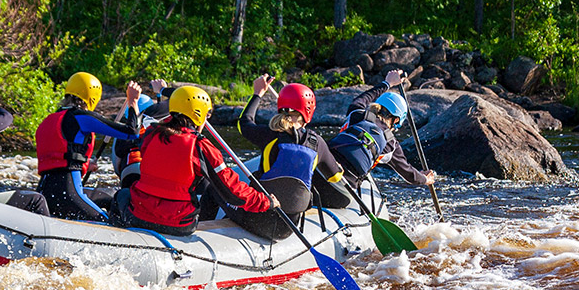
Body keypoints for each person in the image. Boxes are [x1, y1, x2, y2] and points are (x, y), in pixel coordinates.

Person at [115, 85, 280, 238]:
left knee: (122, 194)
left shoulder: (151, 134)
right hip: (179, 224)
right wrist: (265, 201)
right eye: (207, 115)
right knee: (208, 190)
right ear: (199, 115)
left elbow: (143, 131)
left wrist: (137, 103)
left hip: (139, 214)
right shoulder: (201, 146)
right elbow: (232, 192)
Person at [235, 76, 350, 227]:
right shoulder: (318, 144)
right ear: (309, 110)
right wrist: (338, 168)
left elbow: (243, 123)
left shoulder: (270, 134)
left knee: (213, 190)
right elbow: (334, 177)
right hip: (291, 225)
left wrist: (258, 93)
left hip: (257, 217)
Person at [35, 72, 137, 222]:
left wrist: (85, 164)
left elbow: (59, 158)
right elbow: (131, 132)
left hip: (44, 190)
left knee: (107, 199)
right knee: (107, 223)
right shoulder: (81, 117)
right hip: (68, 192)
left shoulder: (49, 120)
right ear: (92, 96)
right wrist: (133, 102)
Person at [328, 69, 437, 190]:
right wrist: (425, 179)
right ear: (396, 120)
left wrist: (387, 83)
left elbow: (365, 97)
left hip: (324, 167)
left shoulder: (356, 113)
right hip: (343, 185)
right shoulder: (391, 144)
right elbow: (409, 173)